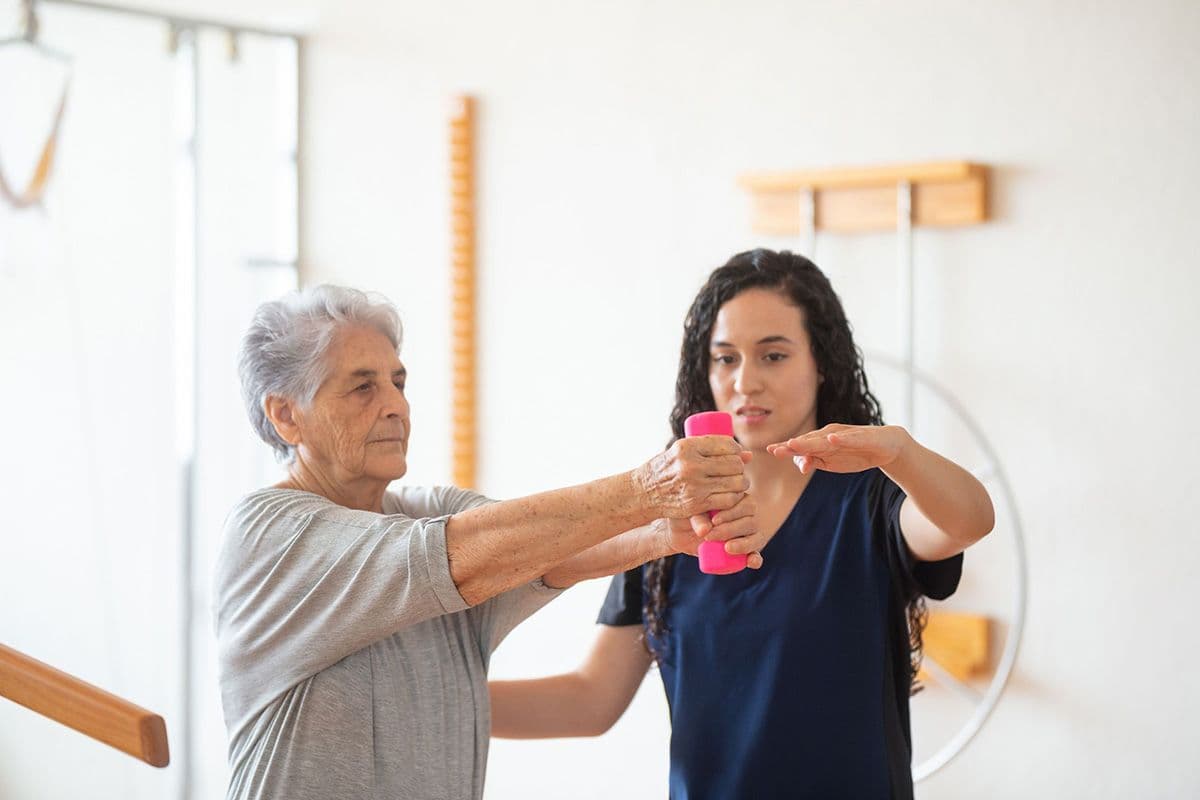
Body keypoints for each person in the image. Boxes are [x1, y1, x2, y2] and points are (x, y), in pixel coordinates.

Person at [213, 284, 760, 800]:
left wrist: (664, 532)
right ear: (286, 415)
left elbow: (541, 552)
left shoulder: (432, 512)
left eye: (398, 383)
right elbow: (455, 558)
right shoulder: (267, 534)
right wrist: (647, 490)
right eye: (363, 387)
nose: (396, 407)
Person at [489, 249, 995, 800]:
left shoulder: (871, 502)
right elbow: (590, 699)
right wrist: (436, 696)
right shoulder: (671, 522)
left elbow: (968, 520)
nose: (745, 382)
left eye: (773, 356)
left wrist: (898, 450)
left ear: (821, 362)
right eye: (726, 359)